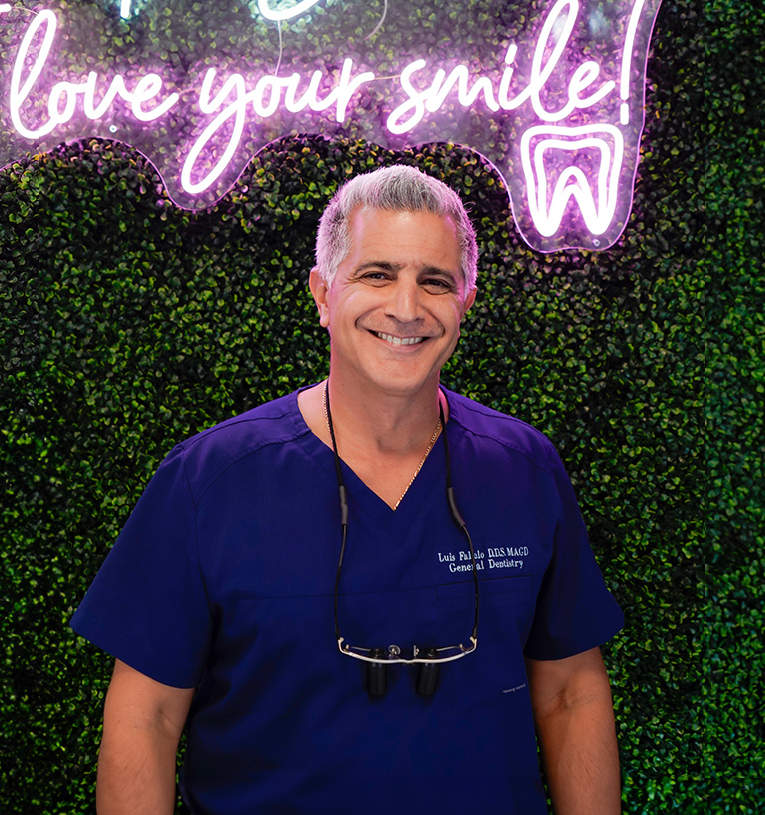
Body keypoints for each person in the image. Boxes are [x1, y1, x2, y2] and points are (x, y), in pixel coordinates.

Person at [72, 164, 624, 815]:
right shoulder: (208, 480)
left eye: (435, 282)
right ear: (323, 294)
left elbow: (570, 693)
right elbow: (149, 717)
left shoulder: (523, 469)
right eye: (377, 274)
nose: (406, 307)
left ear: (465, 304)